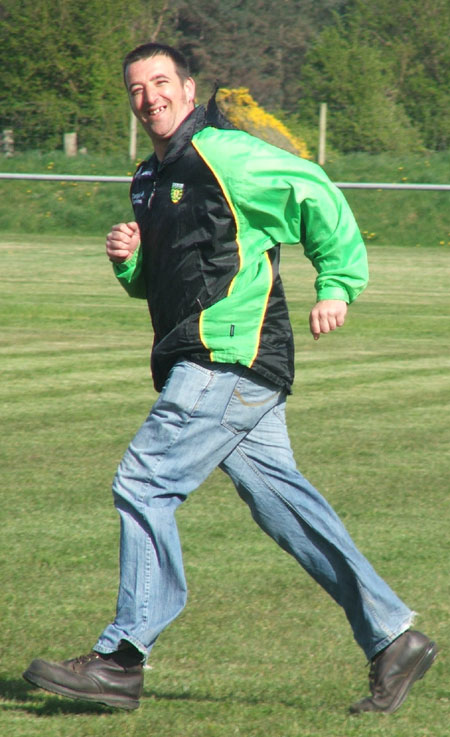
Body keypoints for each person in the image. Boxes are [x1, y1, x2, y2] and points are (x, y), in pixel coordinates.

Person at [23, 42, 437, 714]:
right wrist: (129, 263)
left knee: (143, 480)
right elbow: (171, 280)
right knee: (288, 510)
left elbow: (314, 190)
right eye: (136, 88)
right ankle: (394, 637)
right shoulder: (149, 178)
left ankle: (123, 657)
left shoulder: (227, 153)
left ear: (188, 89)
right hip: (215, 362)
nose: (149, 96)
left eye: (162, 82)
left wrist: (337, 283)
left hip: (229, 359)